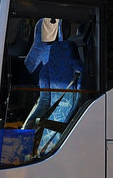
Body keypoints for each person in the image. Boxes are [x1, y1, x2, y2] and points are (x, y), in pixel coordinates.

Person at [24, 18, 84, 152]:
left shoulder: (77, 71)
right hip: (50, 126)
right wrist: (29, 124)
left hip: (65, 130)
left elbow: (76, 105)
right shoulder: (47, 70)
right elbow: (44, 101)